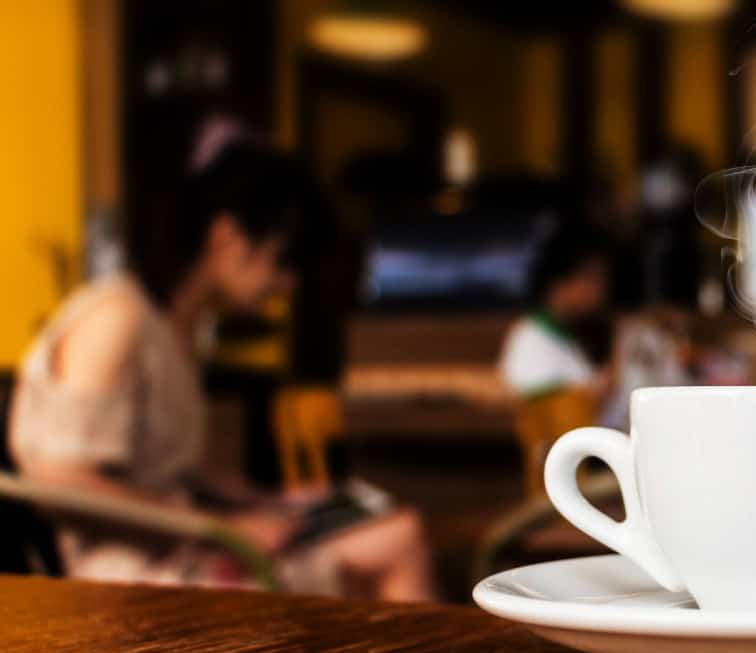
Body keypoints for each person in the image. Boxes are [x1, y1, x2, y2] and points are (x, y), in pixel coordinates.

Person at [8, 144, 436, 601]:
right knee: (399, 539)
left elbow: (157, 466)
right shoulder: (117, 317)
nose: (287, 284)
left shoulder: (180, 326)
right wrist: (221, 527)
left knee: (389, 528)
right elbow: (58, 480)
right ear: (227, 236)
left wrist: (254, 497)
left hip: (175, 542)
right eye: (282, 261)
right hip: (129, 569)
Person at [499, 225, 613, 402]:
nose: (600, 290)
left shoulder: (572, 334)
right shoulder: (530, 335)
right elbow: (546, 407)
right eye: (591, 278)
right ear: (558, 283)